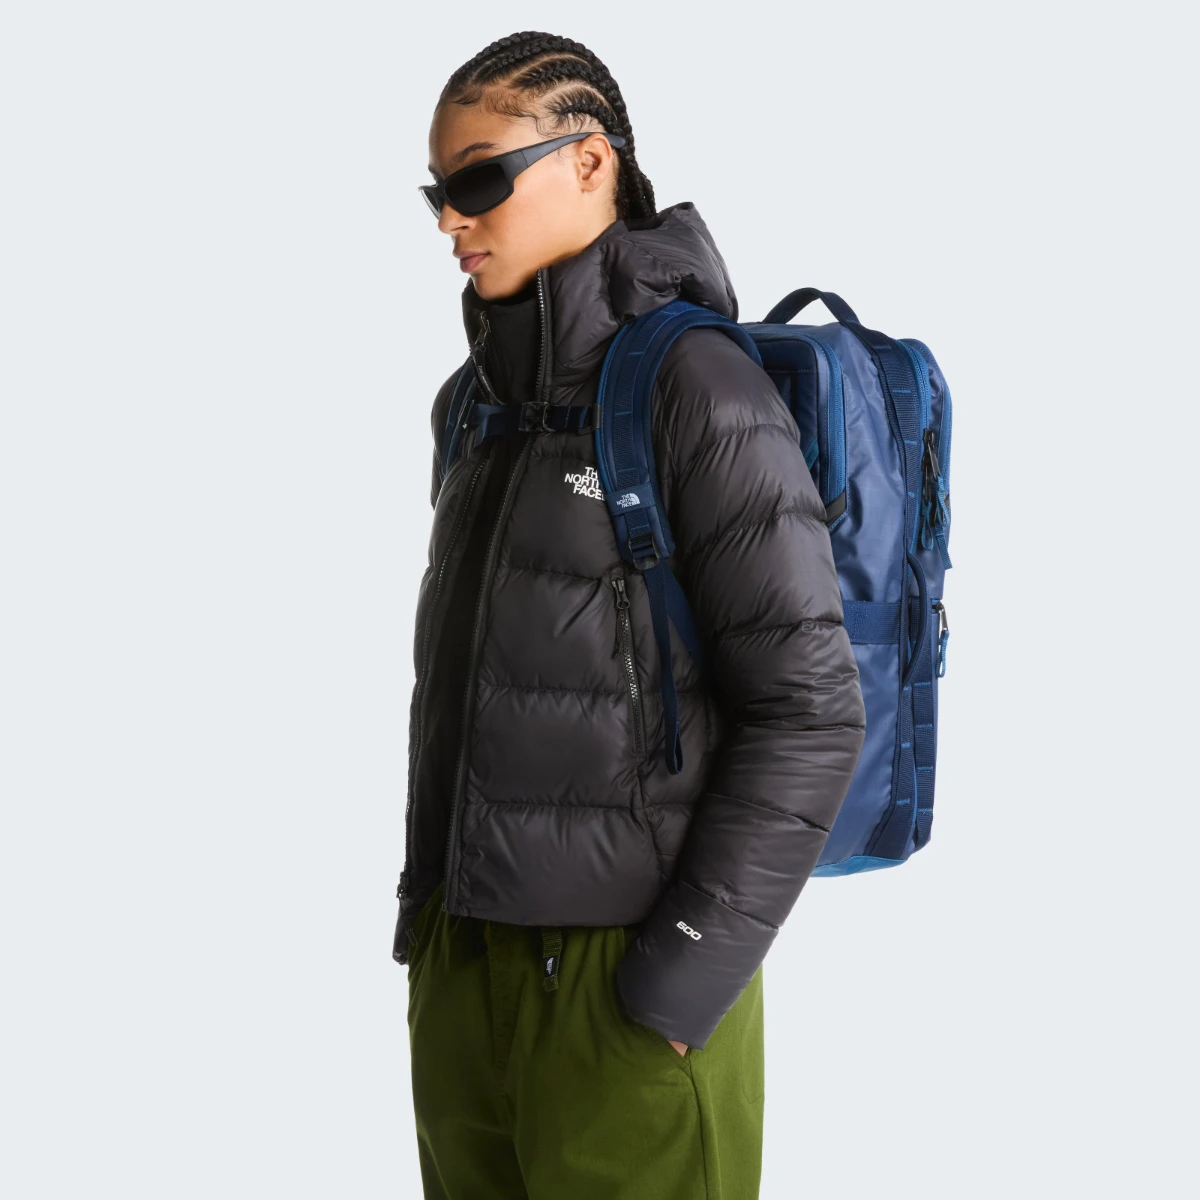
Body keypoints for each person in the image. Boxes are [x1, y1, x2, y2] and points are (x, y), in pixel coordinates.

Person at [394, 30, 866, 1200]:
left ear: (591, 161)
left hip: (628, 980)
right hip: (467, 961)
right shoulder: (474, 406)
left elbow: (810, 712)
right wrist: (428, 930)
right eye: (435, 190)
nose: (450, 219)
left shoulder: (697, 387)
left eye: (478, 181)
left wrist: (677, 985)